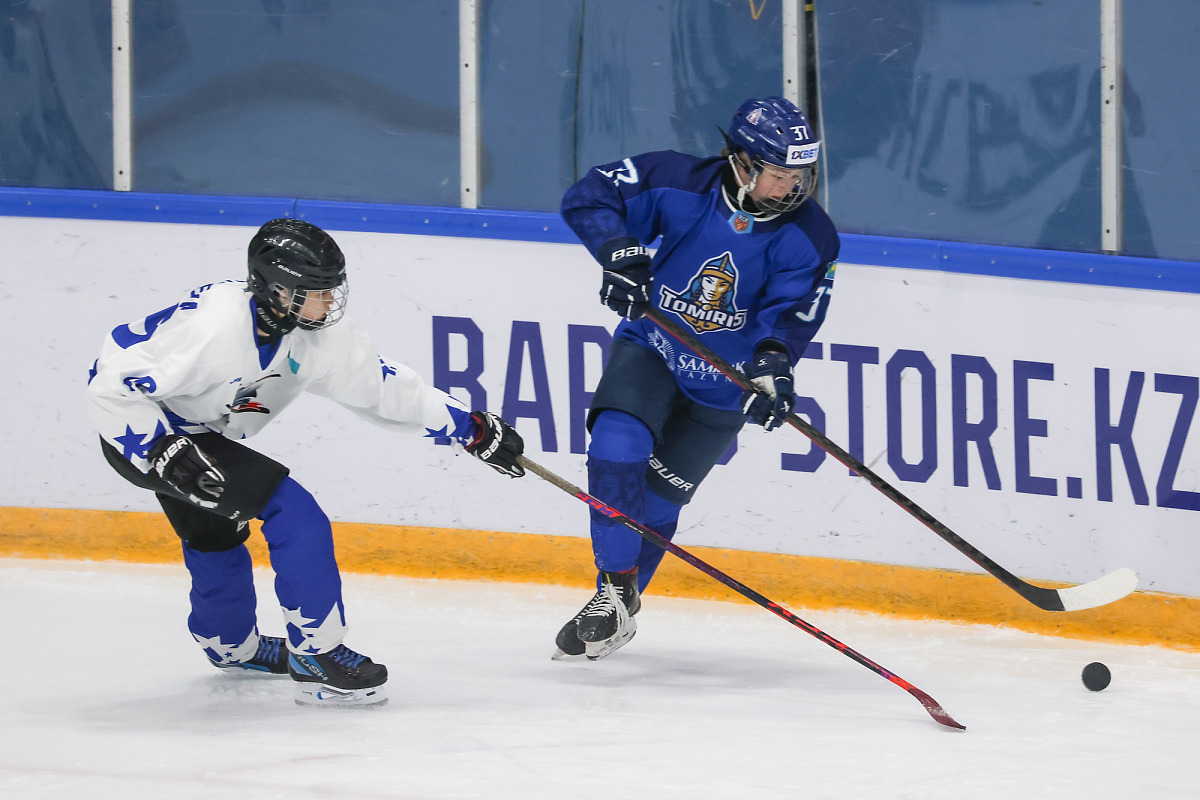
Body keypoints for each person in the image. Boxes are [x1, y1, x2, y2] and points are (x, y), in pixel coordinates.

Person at [85, 218, 525, 706]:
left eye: (332, 289)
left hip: (199, 433)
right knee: (292, 511)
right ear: (276, 290)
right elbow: (111, 387)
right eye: (317, 291)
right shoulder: (214, 330)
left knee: (214, 534)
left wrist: (468, 426)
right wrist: (158, 449)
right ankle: (317, 655)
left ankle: (230, 647)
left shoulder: (315, 335)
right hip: (144, 430)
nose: (329, 301)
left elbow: (382, 388)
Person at [555, 96, 840, 660]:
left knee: (659, 501)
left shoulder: (811, 236)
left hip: (726, 385)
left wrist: (774, 367)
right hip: (654, 348)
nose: (790, 188)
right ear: (741, 161)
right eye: (777, 174)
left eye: (799, 176)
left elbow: (793, 316)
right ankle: (614, 591)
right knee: (615, 446)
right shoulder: (676, 180)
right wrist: (619, 254)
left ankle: (622, 599)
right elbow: (589, 196)